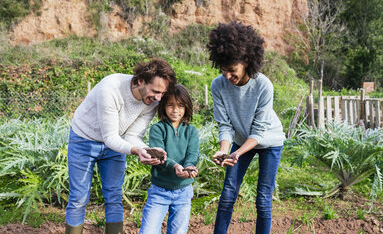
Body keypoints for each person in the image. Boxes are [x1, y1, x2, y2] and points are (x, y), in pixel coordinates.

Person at [65, 58, 176, 234]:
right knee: (79, 197)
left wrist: (146, 150)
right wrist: (136, 150)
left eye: (162, 93)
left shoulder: (152, 102)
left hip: (115, 144)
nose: (158, 98)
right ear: (140, 80)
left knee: (114, 195)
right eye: (155, 91)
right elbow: (110, 137)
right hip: (84, 140)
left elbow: (133, 136)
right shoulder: (111, 88)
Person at [207, 22, 286, 234]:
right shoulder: (218, 85)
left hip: (269, 142)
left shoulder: (263, 85)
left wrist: (236, 154)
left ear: (247, 62)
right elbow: (225, 125)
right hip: (241, 141)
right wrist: (224, 150)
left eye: (232, 71)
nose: (227, 77)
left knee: (263, 198)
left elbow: (259, 132)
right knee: (227, 195)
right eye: (223, 71)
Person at [139, 84, 199, 234]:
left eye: (180, 106)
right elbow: (160, 155)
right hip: (160, 190)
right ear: (163, 107)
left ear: (186, 107)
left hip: (184, 191)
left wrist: (190, 167)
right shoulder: (157, 129)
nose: (175, 110)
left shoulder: (191, 131)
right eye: (170, 105)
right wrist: (175, 166)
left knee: (178, 231)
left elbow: (192, 154)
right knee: (148, 231)